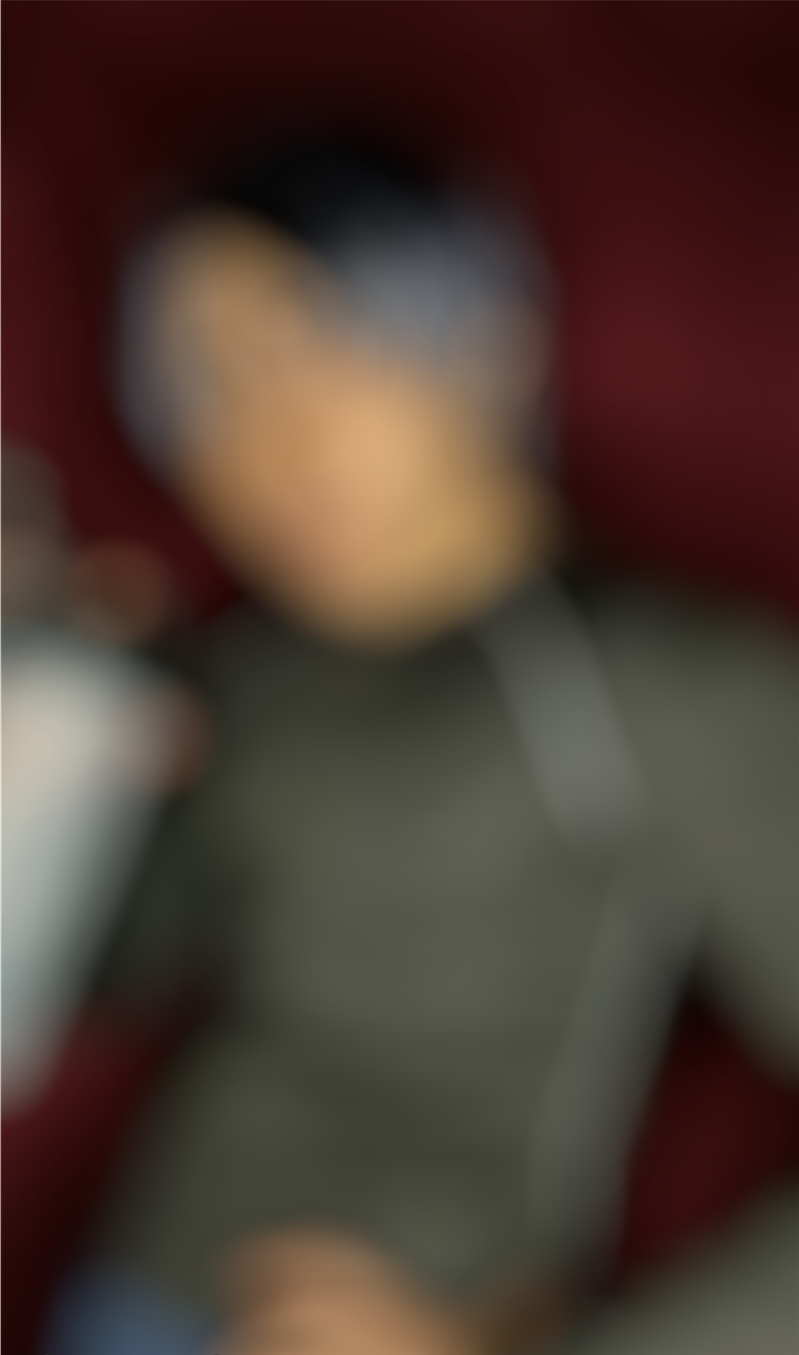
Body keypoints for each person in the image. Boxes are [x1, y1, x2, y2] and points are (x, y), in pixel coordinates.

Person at [45, 134, 798, 1355]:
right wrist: (72, 736)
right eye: (202, 382)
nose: (269, 430)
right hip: (121, 1293)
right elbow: (114, 963)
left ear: (491, 338)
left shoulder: (651, 681)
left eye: (318, 338)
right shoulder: (256, 677)